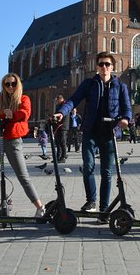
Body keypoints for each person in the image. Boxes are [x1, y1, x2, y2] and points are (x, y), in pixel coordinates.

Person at [54, 52, 131, 216]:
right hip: (90, 131)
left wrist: (125, 119)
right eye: (101, 64)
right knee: (88, 167)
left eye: (107, 64)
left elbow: (127, 108)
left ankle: (104, 208)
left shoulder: (120, 86)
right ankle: (91, 201)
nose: (104, 67)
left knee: (107, 172)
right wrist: (62, 112)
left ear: (112, 67)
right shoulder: (89, 84)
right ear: (97, 67)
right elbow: (73, 99)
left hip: (109, 132)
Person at [0, 73, 44, 217]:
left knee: (23, 176)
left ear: (18, 85)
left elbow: (25, 113)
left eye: (13, 84)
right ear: (3, 85)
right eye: (7, 84)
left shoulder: (23, 98)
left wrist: (12, 115)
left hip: (13, 140)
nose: (10, 86)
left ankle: (40, 207)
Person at [54, 95, 69, 162]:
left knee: (62, 142)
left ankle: (63, 157)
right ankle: (58, 157)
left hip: (63, 126)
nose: (56, 102)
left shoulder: (65, 105)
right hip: (58, 126)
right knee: (57, 142)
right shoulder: (58, 106)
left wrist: (57, 120)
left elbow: (63, 115)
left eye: (57, 100)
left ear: (60, 99)